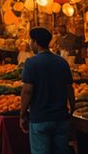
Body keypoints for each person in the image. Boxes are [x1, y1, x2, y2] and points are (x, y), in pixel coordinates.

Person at [20, 26, 75, 154]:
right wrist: (72, 109)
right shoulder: (62, 62)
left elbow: (27, 91)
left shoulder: (31, 63)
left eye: (30, 40)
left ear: (35, 41)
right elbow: (69, 89)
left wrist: (22, 115)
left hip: (40, 119)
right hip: (60, 119)